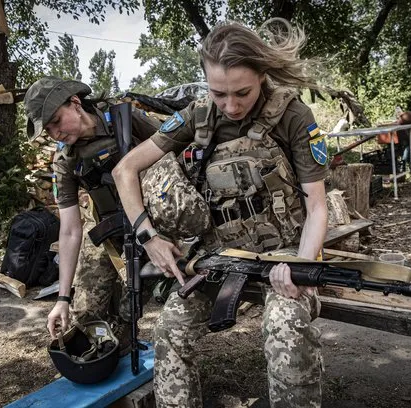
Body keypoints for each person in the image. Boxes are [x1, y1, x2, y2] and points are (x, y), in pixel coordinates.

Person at [113, 19, 328, 407]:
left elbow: (316, 204)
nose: (230, 106)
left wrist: (301, 266)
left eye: (242, 93)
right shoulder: (198, 115)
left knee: (285, 324)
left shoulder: (294, 115)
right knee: (170, 329)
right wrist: (150, 240)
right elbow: (125, 169)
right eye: (218, 93)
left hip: (285, 253)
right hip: (221, 257)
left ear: (262, 75)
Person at [23, 76, 161, 341]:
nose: (55, 133)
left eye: (56, 121)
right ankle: (104, 350)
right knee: (86, 313)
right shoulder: (64, 159)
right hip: (107, 229)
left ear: (75, 103)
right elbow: (70, 229)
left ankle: (124, 340)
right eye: (48, 130)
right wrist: (62, 298)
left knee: (127, 310)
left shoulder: (124, 117)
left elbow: (172, 149)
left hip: (152, 222)